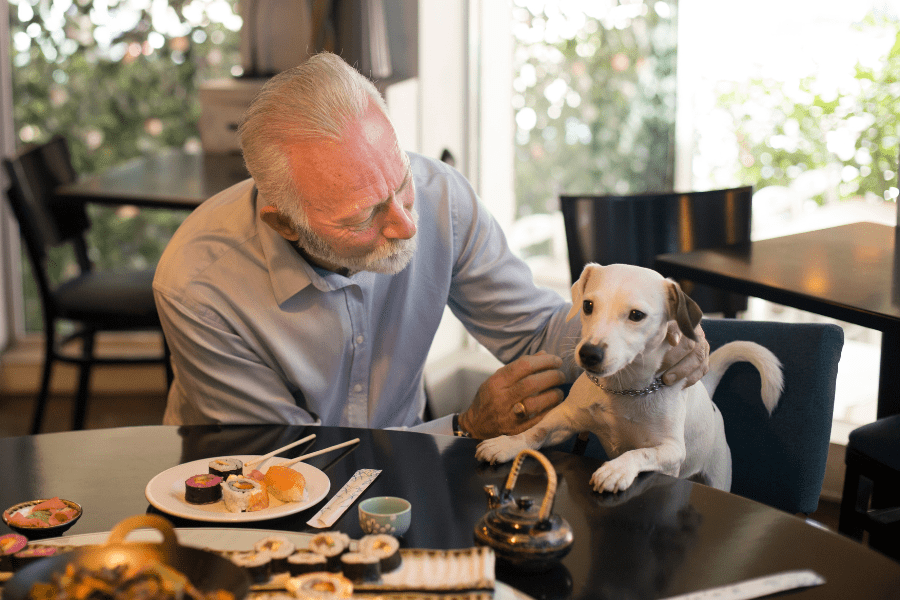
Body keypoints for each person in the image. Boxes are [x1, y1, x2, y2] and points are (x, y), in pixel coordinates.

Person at [153, 52, 708, 439]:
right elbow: (286, 468)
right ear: (285, 226)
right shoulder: (198, 284)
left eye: (399, 184)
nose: (405, 225)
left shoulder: (442, 198)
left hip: (407, 465)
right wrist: (465, 430)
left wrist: (655, 337)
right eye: (365, 215)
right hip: (248, 498)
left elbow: (539, 336)